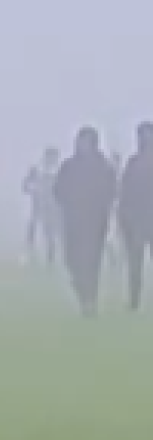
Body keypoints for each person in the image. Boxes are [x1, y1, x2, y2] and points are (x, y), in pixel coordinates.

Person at [54, 127, 118, 317]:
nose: (84, 145)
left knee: (92, 261)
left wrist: (102, 206)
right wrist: (68, 201)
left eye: (87, 141)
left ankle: (90, 299)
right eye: (81, 141)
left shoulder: (103, 167)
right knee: (72, 259)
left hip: (95, 220)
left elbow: (112, 190)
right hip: (73, 219)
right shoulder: (68, 166)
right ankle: (82, 291)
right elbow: (58, 189)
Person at [118, 123, 153, 313]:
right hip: (137, 220)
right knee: (135, 264)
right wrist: (123, 217)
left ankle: (134, 300)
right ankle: (134, 300)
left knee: (135, 263)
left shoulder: (135, 164)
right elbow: (125, 193)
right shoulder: (133, 164)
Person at [22, 147, 62, 267]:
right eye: (50, 156)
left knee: (50, 233)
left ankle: (51, 258)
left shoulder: (59, 171)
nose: (52, 159)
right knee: (32, 228)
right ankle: (29, 253)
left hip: (53, 206)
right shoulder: (37, 169)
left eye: (54, 157)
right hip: (38, 204)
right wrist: (33, 189)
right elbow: (25, 185)